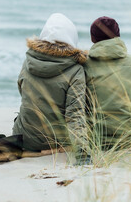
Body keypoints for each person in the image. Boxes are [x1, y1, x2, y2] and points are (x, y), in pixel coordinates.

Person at [12, 13, 88, 161]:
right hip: (56, 141)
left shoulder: (29, 60)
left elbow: (22, 91)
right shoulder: (75, 70)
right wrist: (82, 155)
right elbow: (75, 114)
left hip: (24, 138)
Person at [84, 16, 131, 151]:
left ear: (92, 38)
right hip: (126, 139)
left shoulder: (83, 64)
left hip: (91, 139)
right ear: (118, 36)